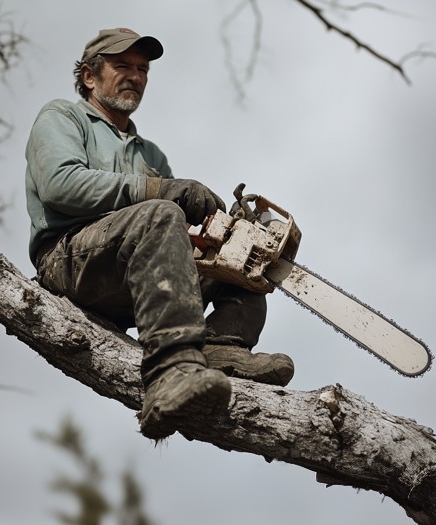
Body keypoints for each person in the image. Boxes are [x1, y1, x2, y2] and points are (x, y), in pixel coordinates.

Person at [25, 28, 293, 439]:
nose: (135, 75)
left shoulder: (150, 154)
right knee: (160, 214)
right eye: (122, 66)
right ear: (89, 76)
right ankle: (171, 373)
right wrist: (161, 190)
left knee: (246, 254)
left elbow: (173, 233)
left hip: (133, 273)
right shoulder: (63, 116)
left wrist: (219, 236)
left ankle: (224, 347)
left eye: (142, 69)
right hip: (69, 258)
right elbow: (61, 185)